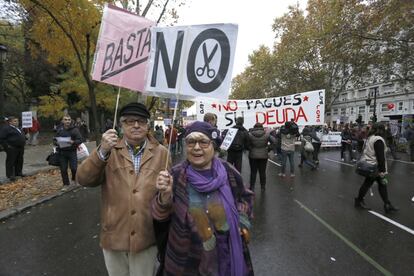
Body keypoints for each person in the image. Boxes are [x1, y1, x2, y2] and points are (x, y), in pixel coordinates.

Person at [76, 102, 170, 276]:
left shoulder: (162, 153)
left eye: (141, 121)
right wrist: (102, 151)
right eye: (129, 121)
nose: (135, 125)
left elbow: (167, 198)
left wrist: (167, 193)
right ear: (121, 126)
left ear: (147, 125)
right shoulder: (108, 150)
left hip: (146, 237)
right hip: (114, 236)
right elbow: (84, 179)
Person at [152, 121, 254, 275]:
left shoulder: (228, 172)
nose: (197, 147)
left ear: (213, 146)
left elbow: (245, 197)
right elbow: (159, 216)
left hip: (225, 258)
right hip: (186, 260)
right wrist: (164, 196)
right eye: (191, 142)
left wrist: (242, 220)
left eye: (203, 142)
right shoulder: (176, 175)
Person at [354, 123, 399, 213]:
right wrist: (382, 170)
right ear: (381, 130)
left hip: (370, 165)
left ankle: (387, 204)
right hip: (375, 167)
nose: (385, 132)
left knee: (381, 185)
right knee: (369, 184)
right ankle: (359, 201)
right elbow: (380, 157)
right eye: (384, 130)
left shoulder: (370, 137)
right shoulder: (378, 140)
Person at [55, 115, 82, 187]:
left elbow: (80, 140)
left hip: (72, 151)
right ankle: (66, 184)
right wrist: (56, 142)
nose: (67, 121)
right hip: (62, 152)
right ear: (63, 121)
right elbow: (55, 139)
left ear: (70, 121)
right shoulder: (59, 129)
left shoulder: (74, 129)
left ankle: (74, 179)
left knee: (74, 168)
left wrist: (73, 142)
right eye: (66, 120)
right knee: (63, 169)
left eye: (69, 120)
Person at [0, 116, 26, 181]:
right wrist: (7, 146)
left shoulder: (19, 128)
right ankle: (10, 175)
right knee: (11, 161)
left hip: (20, 147)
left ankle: (18, 172)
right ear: (10, 122)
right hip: (12, 148)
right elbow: (2, 138)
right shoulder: (6, 128)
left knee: (19, 160)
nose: (17, 122)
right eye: (15, 121)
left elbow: (20, 135)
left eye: (17, 121)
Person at [248, 123, 270, 191]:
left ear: (254, 127)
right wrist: (268, 149)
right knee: (262, 172)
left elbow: (246, 143)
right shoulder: (266, 134)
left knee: (253, 172)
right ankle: (263, 187)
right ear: (262, 127)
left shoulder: (250, 134)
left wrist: (250, 148)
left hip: (253, 155)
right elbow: (275, 142)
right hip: (263, 155)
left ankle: (252, 187)